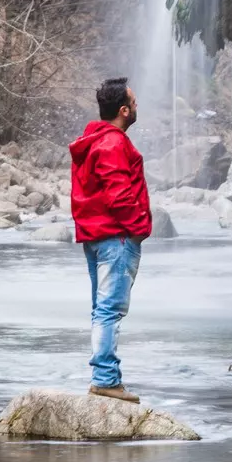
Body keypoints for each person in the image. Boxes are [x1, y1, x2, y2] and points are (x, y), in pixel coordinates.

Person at [69, 77, 151, 403]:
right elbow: (119, 196)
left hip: (96, 236)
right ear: (123, 110)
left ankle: (104, 377)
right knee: (109, 312)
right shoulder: (113, 144)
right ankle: (105, 379)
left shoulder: (93, 140)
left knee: (100, 310)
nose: (137, 106)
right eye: (134, 101)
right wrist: (138, 228)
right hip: (115, 238)